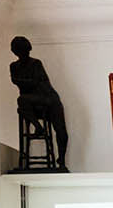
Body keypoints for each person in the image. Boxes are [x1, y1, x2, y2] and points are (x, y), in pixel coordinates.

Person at [8, 35, 69, 169]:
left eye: (24, 50)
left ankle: (62, 161)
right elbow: (18, 81)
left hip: (49, 99)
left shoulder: (36, 63)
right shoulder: (14, 66)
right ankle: (38, 127)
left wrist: (27, 82)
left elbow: (36, 83)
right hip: (32, 102)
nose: (23, 53)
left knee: (61, 131)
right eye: (19, 50)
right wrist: (30, 82)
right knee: (22, 102)